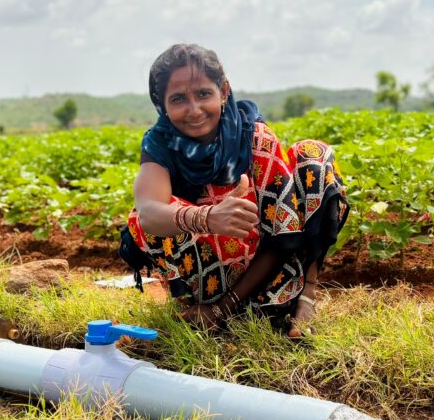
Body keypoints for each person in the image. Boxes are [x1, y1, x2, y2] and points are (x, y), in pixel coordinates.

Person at [119, 43, 349, 337]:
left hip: (273, 277)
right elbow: (148, 213)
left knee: (313, 156)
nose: (194, 110)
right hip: (206, 276)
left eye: (203, 94)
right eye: (178, 99)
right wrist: (207, 217)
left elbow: (282, 233)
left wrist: (224, 309)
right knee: (147, 213)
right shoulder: (159, 144)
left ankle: (306, 296)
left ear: (223, 91)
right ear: (162, 105)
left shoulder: (253, 136)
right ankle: (200, 303)